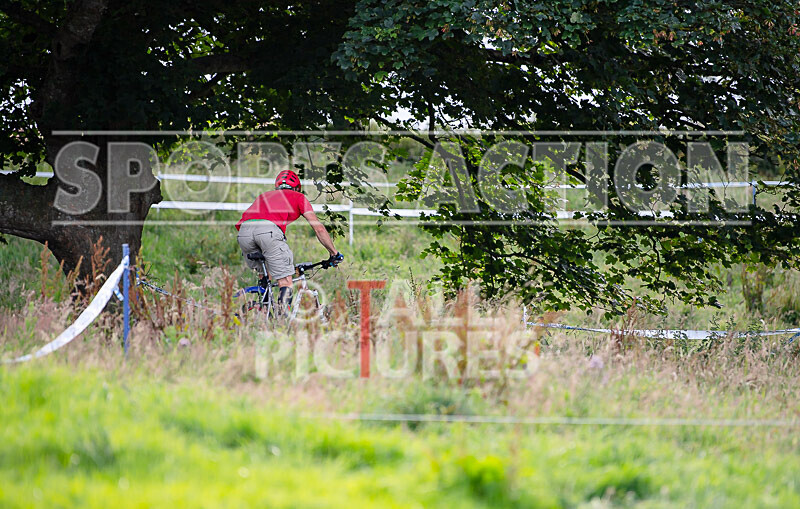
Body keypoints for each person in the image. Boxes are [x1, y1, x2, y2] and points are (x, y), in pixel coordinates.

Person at [236, 169, 343, 311]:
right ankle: (282, 318)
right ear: (297, 187)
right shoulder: (298, 197)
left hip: (244, 232)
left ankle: (263, 310)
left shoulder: (264, 196)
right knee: (286, 281)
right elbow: (319, 229)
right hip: (267, 231)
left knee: (265, 276)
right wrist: (333, 252)